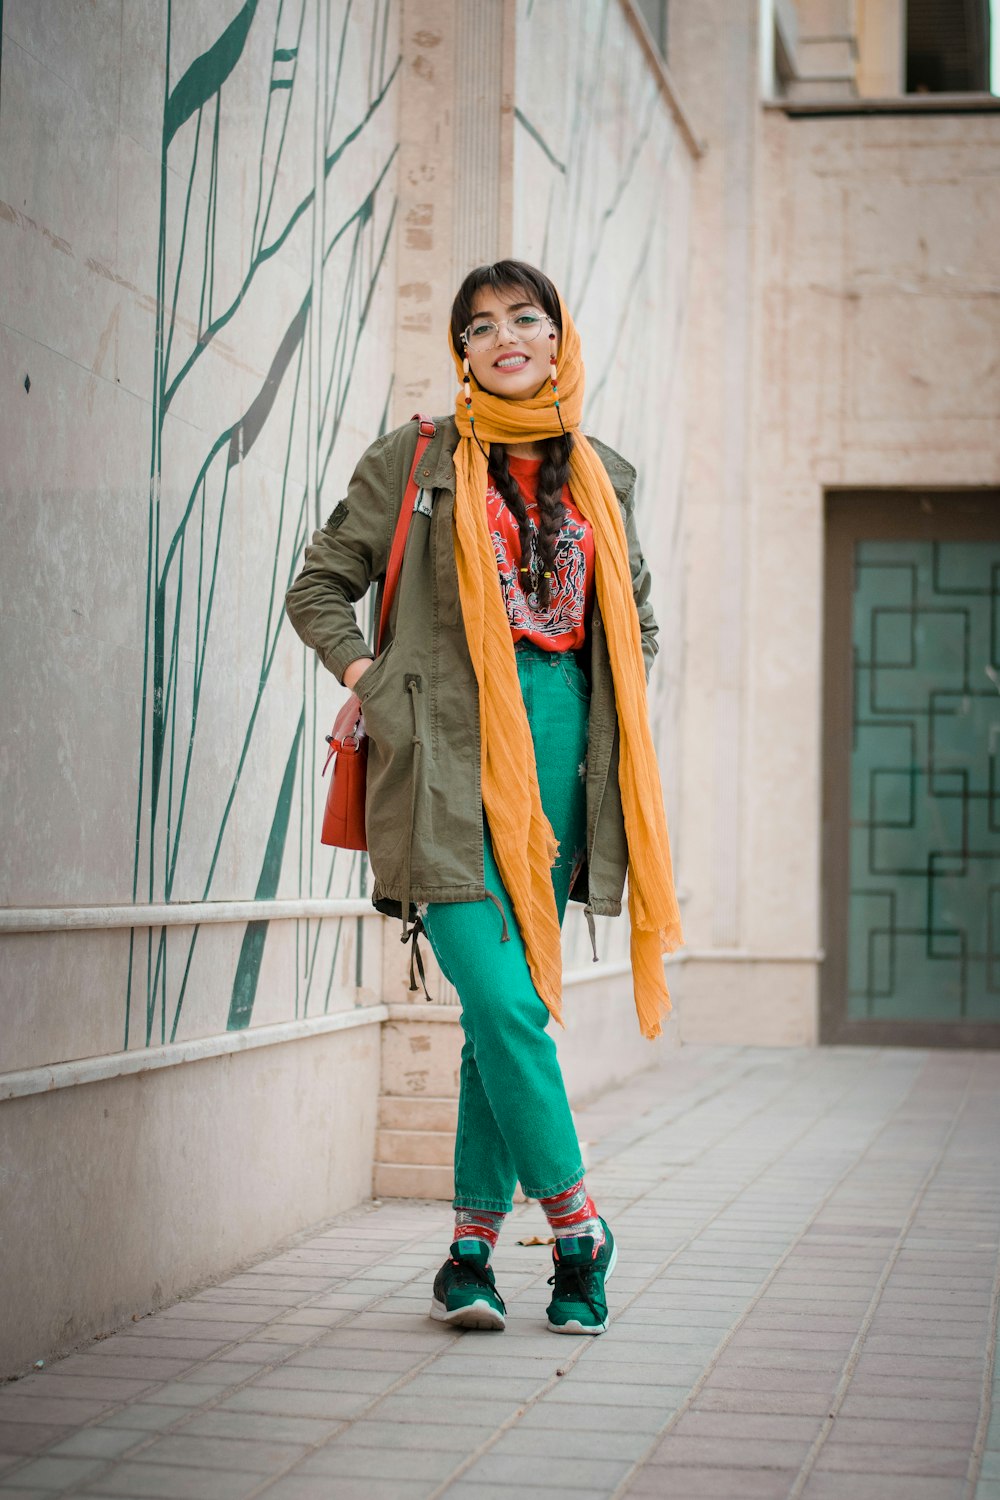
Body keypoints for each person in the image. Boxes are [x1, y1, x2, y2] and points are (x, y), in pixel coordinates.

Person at [285, 259, 683, 1336]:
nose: (504, 336)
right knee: (504, 1001)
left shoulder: (604, 473)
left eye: (525, 317)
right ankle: (578, 1225)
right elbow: (318, 584)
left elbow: (634, 621)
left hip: (560, 758)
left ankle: (467, 1251)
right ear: (461, 350)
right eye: (480, 325)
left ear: (557, 336)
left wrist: (619, 705)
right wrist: (377, 684)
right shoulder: (415, 460)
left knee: (498, 1018)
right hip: (442, 756)